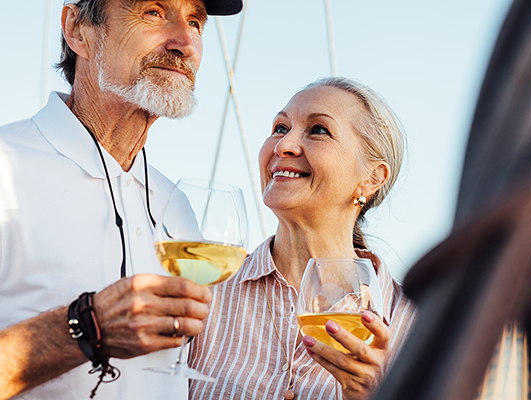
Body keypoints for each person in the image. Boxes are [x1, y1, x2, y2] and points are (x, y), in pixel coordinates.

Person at [0, 0, 242, 399]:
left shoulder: (176, 205)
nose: (186, 42)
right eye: (153, 12)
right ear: (78, 29)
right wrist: (86, 327)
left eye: (196, 21)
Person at [188, 77, 417, 400]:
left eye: (318, 130)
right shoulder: (203, 293)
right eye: (280, 128)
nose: (283, 146)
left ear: (371, 178)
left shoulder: (417, 327)